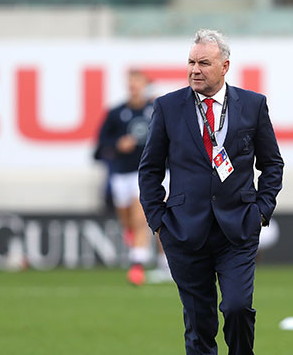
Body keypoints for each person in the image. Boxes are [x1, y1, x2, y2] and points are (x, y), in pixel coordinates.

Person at [138, 29, 283, 354]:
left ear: (224, 66)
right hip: (184, 231)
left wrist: (261, 209)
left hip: (238, 228)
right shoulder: (167, 107)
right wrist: (158, 220)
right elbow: (149, 169)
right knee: (199, 324)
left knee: (236, 308)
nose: (195, 70)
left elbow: (272, 164)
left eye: (204, 63)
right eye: (191, 62)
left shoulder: (252, 105)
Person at [95, 69, 170, 285]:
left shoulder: (157, 110)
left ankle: (139, 263)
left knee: (143, 216)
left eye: (138, 83)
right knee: (128, 221)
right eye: (131, 83)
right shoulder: (116, 113)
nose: (134, 87)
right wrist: (118, 144)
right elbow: (100, 145)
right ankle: (145, 254)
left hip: (150, 173)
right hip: (123, 174)